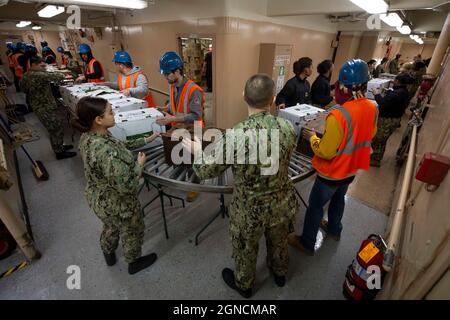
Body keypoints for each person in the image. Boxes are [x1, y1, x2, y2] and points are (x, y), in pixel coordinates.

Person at [182, 74, 298, 298]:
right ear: (273, 99)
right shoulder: (287, 127)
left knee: (245, 247)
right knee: (279, 241)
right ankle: (280, 274)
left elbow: (206, 171)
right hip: (281, 203)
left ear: (243, 96)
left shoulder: (235, 135)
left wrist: (198, 152)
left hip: (249, 209)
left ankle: (244, 285)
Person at [288, 59, 378, 255]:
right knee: (339, 200)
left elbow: (326, 151)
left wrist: (312, 137)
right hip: (352, 169)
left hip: (332, 173)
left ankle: (307, 242)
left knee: (315, 207)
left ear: (343, 87)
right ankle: (335, 229)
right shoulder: (373, 107)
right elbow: (369, 134)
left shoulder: (339, 115)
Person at [74, 96, 160, 274]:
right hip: (118, 204)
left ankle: (108, 251)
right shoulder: (106, 152)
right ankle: (134, 261)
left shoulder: (90, 136)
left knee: (110, 226)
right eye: (111, 113)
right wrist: (140, 165)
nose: (115, 116)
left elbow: (120, 145)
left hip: (99, 199)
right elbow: (128, 185)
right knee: (132, 229)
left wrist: (146, 140)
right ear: (98, 119)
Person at [156, 51, 205, 202]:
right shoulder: (173, 85)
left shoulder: (194, 90)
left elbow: (196, 115)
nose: (165, 77)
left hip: (193, 129)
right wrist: (166, 109)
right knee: (179, 155)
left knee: (193, 160)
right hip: (179, 127)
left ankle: (195, 187)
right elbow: (176, 103)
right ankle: (183, 179)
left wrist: (173, 118)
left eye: (167, 74)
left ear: (177, 71)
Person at [20, 56, 76, 159]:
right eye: (42, 66)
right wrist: (65, 73)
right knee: (55, 128)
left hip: (39, 105)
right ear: (33, 65)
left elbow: (23, 89)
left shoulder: (26, 75)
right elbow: (57, 76)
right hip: (44, 107)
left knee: (54, 127)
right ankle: (59, 152)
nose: (44, 68)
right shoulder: (37, 75)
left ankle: (60, 146)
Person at [370, 73, 413, 167]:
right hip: (394, 118)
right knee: (381, 139)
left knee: (379, 139)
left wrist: (377, 94)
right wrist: (389, 92)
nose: (393, 81)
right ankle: (374, 156)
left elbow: (383, 103)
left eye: (395, 80)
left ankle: (375, 159)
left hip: (387, 120)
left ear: (397, 81)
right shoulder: (403, 91)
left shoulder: (397, 94)